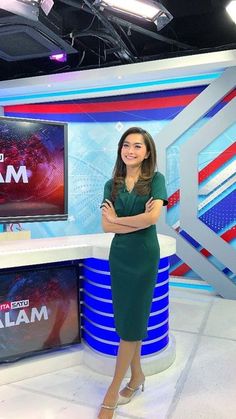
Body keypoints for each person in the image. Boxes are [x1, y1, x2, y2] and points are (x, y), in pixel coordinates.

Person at [99, 127, 168, 419]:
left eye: (137, 146)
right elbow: (106, 227)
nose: (131, 150)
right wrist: (132, 221)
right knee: (128, 321)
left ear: (147, 152)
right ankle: (137, 376)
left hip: (144, 257)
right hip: (120, 258)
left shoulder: (156, 181)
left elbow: (154, 219)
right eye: (126, 145)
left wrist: (120, 220)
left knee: (131, 325)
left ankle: (112, 391)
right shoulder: (110, 185)